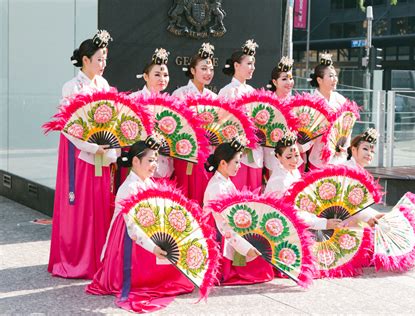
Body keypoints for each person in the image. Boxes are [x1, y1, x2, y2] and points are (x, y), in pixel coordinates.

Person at [86, 139, 194, 313]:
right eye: (150, 160)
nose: (154, 165)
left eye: (156, 160)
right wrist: (153, 247)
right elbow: (133, 229)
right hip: (129, 241)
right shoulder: (130, 187)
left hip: (146, 234)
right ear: (135, 161)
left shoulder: (149, 183)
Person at [48, 30, 117, 279]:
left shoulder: (104, 85)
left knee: (99, 203)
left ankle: (99, 258)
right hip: (77, 153)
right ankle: (76, 258)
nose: (103, 64)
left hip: (101, 152)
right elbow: (68, 125)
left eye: (105, 59)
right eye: (99, 59)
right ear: (85, 60)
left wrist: (110, 147)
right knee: (80, 206)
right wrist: (90, 146)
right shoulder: (71, 87)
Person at [203, 139, 273, 285]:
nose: (240, 166)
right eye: (236, 162)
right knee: (260, 265)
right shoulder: (217, 187)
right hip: (219, 235)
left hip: (229, 229)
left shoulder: (224, 181)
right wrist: (245, 248)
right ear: (223, 163)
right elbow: (223, 226)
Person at [264, 132, 341, 230]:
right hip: (282, 226)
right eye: (289, 157)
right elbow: (291, 213)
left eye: (296, 155)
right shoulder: (279, 181)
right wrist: (322, 223)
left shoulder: (293, 171)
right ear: (278, 156)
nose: (294, 160)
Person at [172, 43, 217, 205]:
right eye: (204, 68)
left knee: (203, 195)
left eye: (211, 69)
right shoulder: (180, 94)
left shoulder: (213, 97)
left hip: (207, 154)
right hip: (184, 153)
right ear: (192, 71)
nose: (208, 73)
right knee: (184, 195)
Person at [218, 39, 263, 192]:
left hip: (255, 149)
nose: (252, 68)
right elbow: (222, 122)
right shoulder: (227, 91)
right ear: (236, 65)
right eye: (249, 64)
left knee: (254, 192)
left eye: (253, 64)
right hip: (236, 151)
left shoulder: (252, 91)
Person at [130, 48, 173, 179]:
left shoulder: (171, 104)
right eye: (157, 75)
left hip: (164, 165)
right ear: (145, 76)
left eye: (165, 75)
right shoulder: (133, 100)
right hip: (140, 163)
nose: (162, 79)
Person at [304, 53, 352, 169]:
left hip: (338, 157)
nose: (335, 79)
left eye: (335, 75)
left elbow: (347, 127)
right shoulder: (311, 102)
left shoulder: (340, 99)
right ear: (319, 80)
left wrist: (344, 146)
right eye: (330, 76)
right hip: (318, 158)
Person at [343, 128, 384, 227]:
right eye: (365, 149)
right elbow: (346, 201)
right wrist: (368, 217)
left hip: (353, 220)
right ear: (353, 149)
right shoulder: (346, 170)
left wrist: (374, 215)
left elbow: (359, 204)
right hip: (340, 222)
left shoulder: (360, 171)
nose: (369, 153)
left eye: (372, 151)